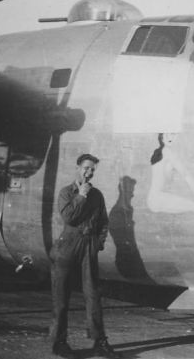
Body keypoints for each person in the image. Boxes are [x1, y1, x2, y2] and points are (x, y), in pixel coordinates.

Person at [49, 153, 120, 359]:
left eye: (92, 170)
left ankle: (100, 341)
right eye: (86, 168)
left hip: (88, 246)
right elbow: (69, 217)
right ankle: (59, 343)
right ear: (77, 167)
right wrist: (81, 195)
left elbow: (104, 222)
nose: (89, 173)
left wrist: (98, 242)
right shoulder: (66, 192)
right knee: (61, 297)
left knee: (93, 296)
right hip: (67, 246)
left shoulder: (97, 195)